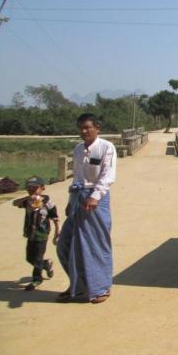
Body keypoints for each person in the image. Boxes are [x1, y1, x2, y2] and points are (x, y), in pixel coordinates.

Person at [56, 113, 116, 304]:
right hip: (78, 198)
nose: (83, 131)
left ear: (97, 128)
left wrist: (95, 196)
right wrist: (70, 200)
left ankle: (101, 288)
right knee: (66, 244)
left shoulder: (106, 147)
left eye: (87, 127)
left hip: (96, 200)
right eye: (81, 128)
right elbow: (77, 177)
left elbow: (108, 175)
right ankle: (78, 286)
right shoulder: (78, 149)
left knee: (96, 245)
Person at [12, 176, 60, 291]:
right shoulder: (27, 201)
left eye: (34, 188)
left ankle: (37, 279)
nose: (32, 191)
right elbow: (14, 203)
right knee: (29, 258)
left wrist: (57, 231)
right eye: (29, 189)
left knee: (37, 257)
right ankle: (46, 264)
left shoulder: (48, 203)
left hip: (41, 234)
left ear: (42, 188)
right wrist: (27, 198)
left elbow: (55, 217)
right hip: (30, 233)